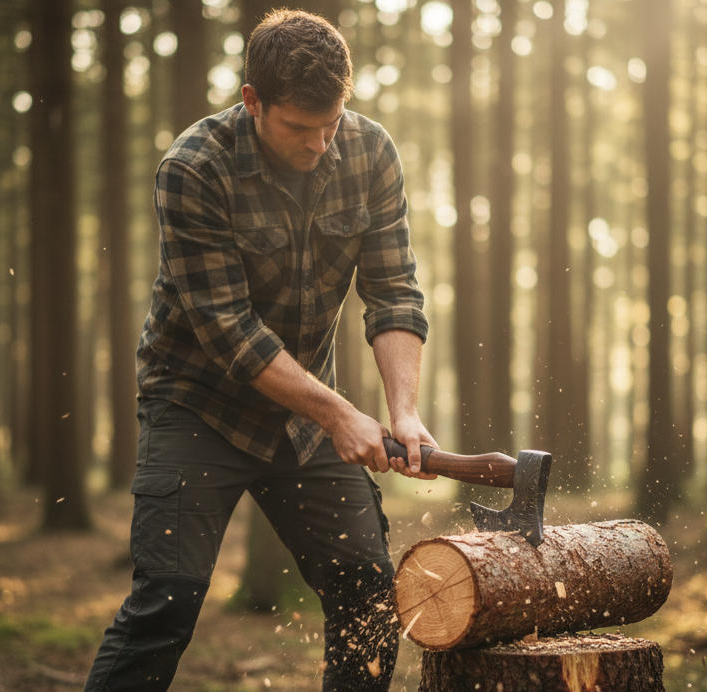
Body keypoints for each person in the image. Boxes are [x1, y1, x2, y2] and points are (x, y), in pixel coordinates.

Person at [83, 9, 437, 692]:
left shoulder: (370, 153)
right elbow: (230, 333)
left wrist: (403, 411)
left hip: (303, 416)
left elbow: (394, 294)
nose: (320, 145)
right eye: (299, 129)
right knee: (168, 600)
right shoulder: (193, 168)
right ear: (253, 101)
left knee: (368, 589)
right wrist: (340, 415)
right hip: (196, 405)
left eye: (331, 123)